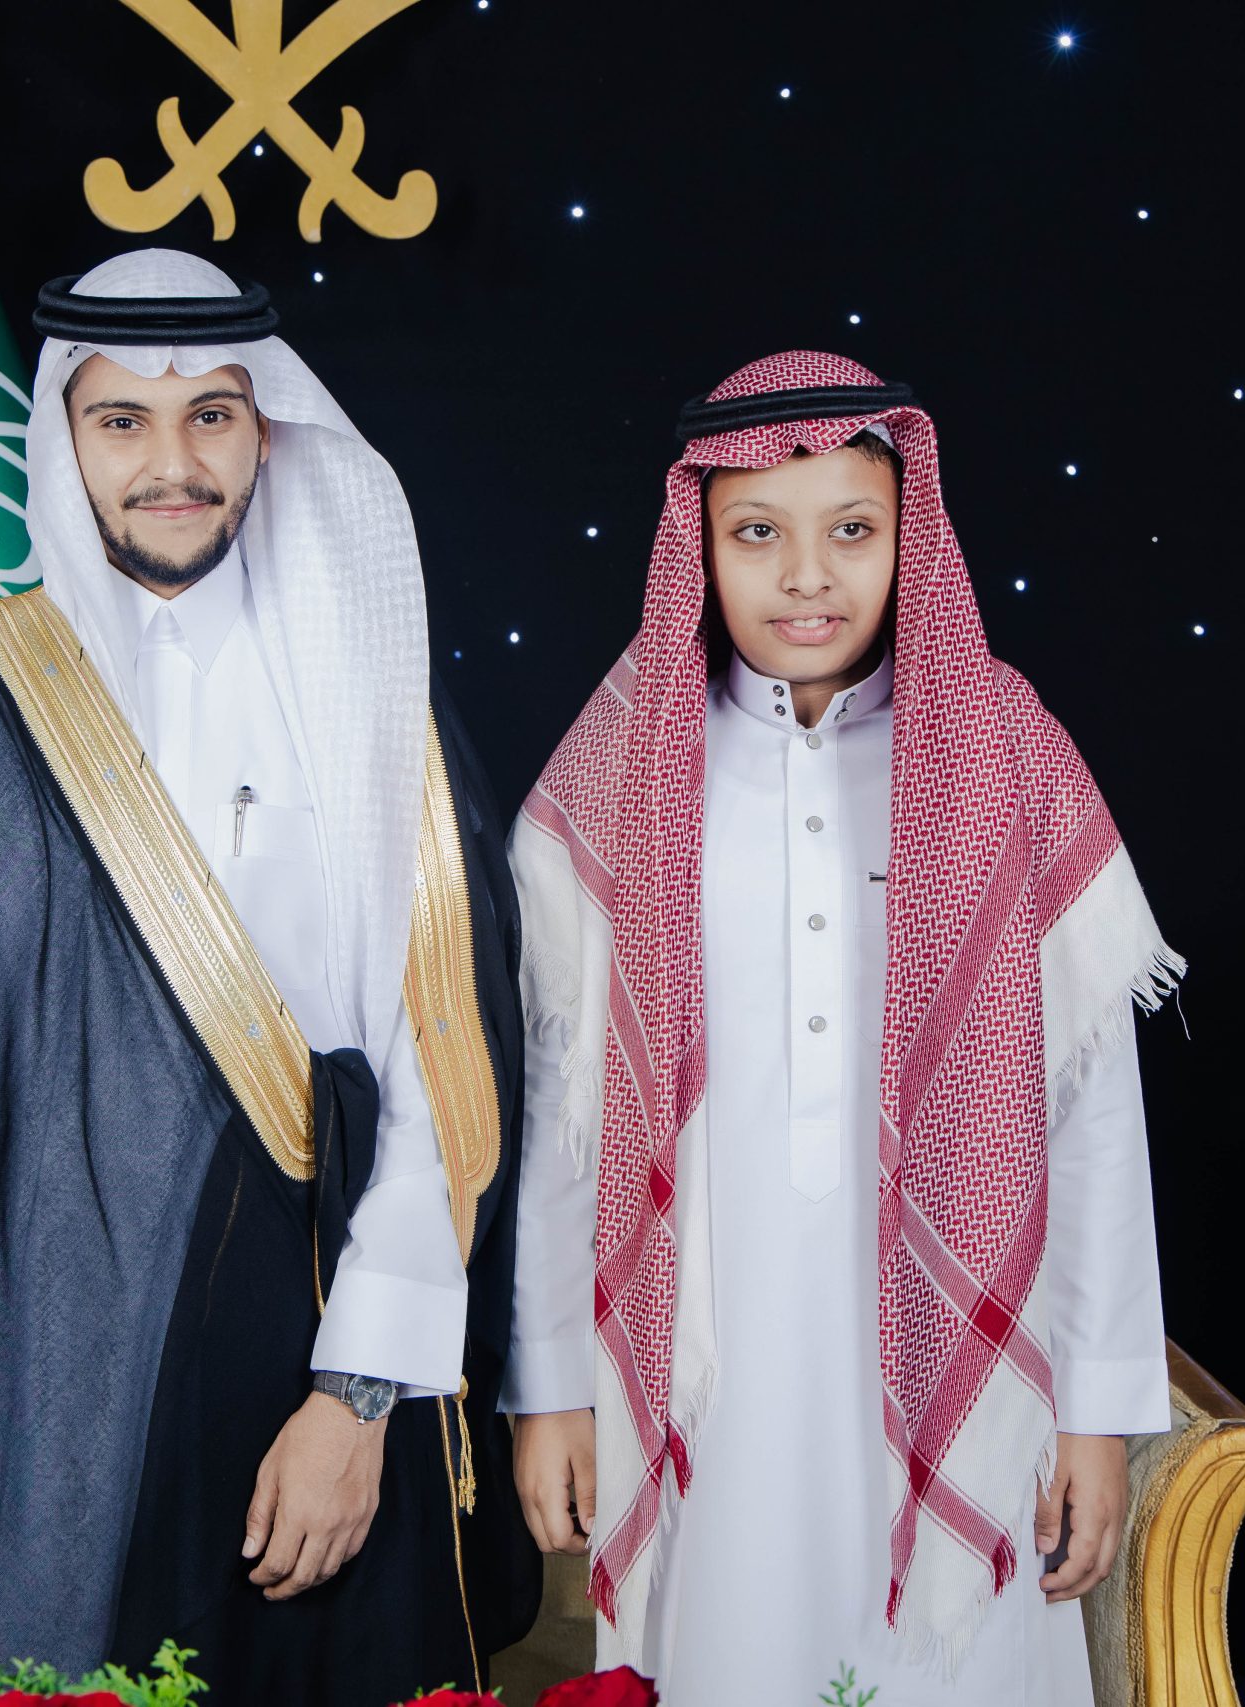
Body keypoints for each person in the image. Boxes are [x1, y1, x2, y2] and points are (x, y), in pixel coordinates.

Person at [0, 249, 539, 1707]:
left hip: (317, 1347)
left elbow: (449, 1071)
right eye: (123, 421)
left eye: (212, 415)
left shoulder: (368, 683)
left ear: (266, 430)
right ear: (66, 438)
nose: (172, 464)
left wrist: (358, 1395)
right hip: (35, 1374)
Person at [503, 352, 1180, 1705]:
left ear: (908, 537)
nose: (806, 576)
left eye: (852, 531)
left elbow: (1091, 1111)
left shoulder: (1002, 750)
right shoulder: (625, 764)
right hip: (712, 1361)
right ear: (698, 544)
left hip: (956, 1352)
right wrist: (552, 1383)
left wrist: (1102, 1412)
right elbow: (568, 1108)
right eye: (758, 533)